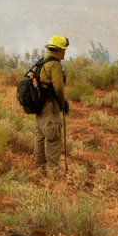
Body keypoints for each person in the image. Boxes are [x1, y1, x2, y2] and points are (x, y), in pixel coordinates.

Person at [34, 35, 70, 177]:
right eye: (64, 50)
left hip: (40, 107)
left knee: (41, 137)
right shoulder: (54, 65)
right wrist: (62, 104)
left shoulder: (43, 62)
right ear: (59, 50)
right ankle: (53, 175)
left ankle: (40, 172)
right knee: (53, 139)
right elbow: (59, 89)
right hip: (50, 106)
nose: (64, 53)